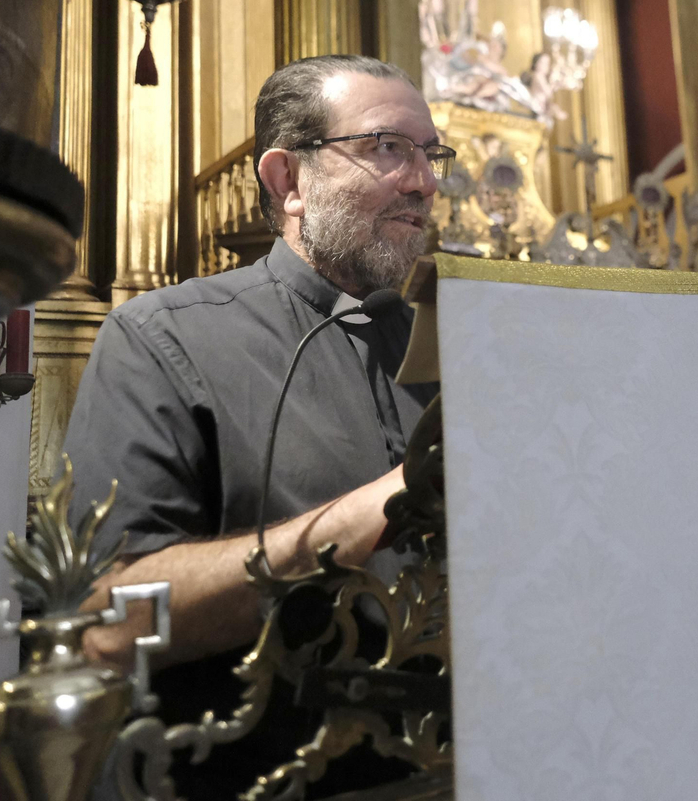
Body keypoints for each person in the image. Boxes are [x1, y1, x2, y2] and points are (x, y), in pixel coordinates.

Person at [62, 54, 451, 799]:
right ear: (288, 181)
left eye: (431, 156)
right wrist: (385, 505)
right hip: (267, 777)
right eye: (386, 148)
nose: (424, 182)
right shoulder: (161, 339)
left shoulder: (461, 343)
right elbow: (107, 623)